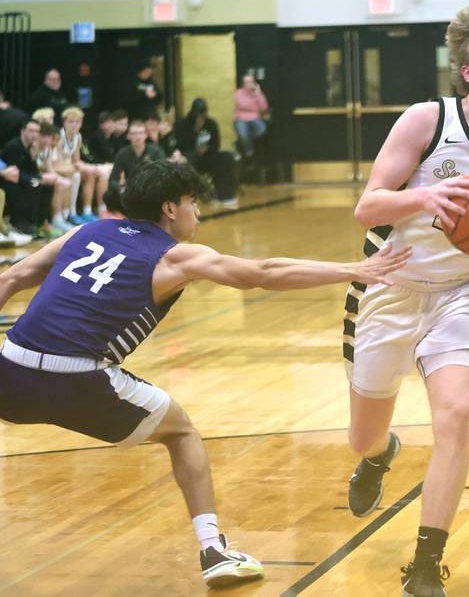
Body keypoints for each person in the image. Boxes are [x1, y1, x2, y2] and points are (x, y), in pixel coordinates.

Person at [0, 159, 411, 587]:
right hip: (78, 378)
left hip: (10, 366)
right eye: (192, 202)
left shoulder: (84, 232)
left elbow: (11, 278)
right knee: (182, 434)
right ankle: (213, 549)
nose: (197, 212)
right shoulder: (175, 257)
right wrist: (354, 269)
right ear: (170, 209)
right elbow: (263, 273)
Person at [342, 5, 469, 596]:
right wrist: (427, 197)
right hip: (388, 285)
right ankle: (380, 456)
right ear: (465, 69)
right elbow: (369, 206)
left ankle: (427, 564)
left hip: (457, 295)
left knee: (456, 415)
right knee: (362, 435)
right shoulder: (425, 121)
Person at [175, 98, 238, 208]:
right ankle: (199, 194)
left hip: (207, 156)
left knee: (226, 157)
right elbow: (180, 145)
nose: (200, 117)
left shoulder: (211, 124)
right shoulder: (182, 125)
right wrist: (195, 134)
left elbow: (216, 145)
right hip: (189, 157)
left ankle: (225, 195)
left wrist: (207, 149)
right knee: (187, 159)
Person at [110, 120, 166, 190]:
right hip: (130, 190)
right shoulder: (122, 153)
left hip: (152, 189)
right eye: (134, 133)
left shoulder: (156, 151)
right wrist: (121, 189)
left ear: (146, 135)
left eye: (140, 133)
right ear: (128, 136)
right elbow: (113, 180)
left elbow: (163, 174)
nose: (138, 136)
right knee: (108, 195)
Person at [233, 74, 269, 158]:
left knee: (262, 129)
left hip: (254, 118)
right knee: (243, 135)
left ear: (254, 83)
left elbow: (264, 108)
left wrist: (258, 94)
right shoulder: (238, 93)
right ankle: (249, 153)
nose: (248, 84)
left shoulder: (257, 93)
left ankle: (240, 142)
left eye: (250, 82)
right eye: (246, 82)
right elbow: (242, 105)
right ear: (243, 84)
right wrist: (255, 106)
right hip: (240, 119)